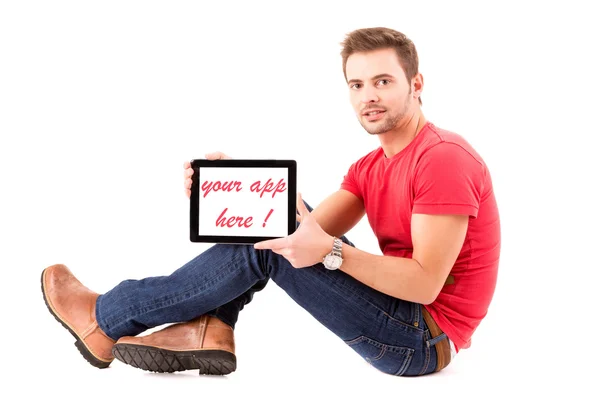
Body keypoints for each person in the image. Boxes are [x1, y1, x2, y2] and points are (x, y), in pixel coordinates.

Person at [41, 27, 500, 377]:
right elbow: (295, 224)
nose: (369, 97)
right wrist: (228, 187)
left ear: (416, 83)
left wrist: (333, 252)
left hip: (421, 339)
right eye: (356, 85)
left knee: (271, 237)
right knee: (273, 221)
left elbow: (424, 286)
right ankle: (208, 326)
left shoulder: (441, 159)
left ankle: (106, 320)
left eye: (382, 81)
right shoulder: (372, 166)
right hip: (403, 318)